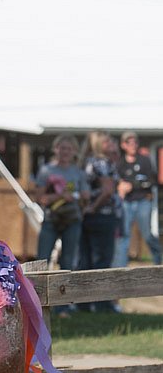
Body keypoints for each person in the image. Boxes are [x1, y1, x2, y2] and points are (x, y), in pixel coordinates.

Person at [35, 135, 89, 317]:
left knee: (67, 262)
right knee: (42, 260)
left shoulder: (78, 173)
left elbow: (86, 196)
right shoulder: (46, 171)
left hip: (72, 220)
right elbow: (40, 198)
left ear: (74, 152)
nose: (65, 152)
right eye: (62, 148)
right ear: (56, 149)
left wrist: (77, 196)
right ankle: (37, 303)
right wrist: (59, 196)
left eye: (69, 149)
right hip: (51, 219)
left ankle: (63, 306)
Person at [78, 132, 121, 311]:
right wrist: (94, 207)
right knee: (103, 260)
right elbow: (108, 191)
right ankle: (102, 303)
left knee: (86, 261)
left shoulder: (87, 161)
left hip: (87, 218)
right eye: (107, 141)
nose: (112, 142)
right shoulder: (102, 163)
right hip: (102, 215)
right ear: (99, 144)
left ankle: (84, 303)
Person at [114, 131, 161, 267]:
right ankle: (119, 269)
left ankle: (158, 263)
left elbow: (152, 181)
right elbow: (115, 182)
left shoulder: (144, 160)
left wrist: (132, 185)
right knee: (124, 236)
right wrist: (120, 186)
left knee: (147, 234)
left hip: (142, 202)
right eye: (129, 142)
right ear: (123, 145)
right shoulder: (120, 162)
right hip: (126, 203)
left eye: (135, 142)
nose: (133, 145)